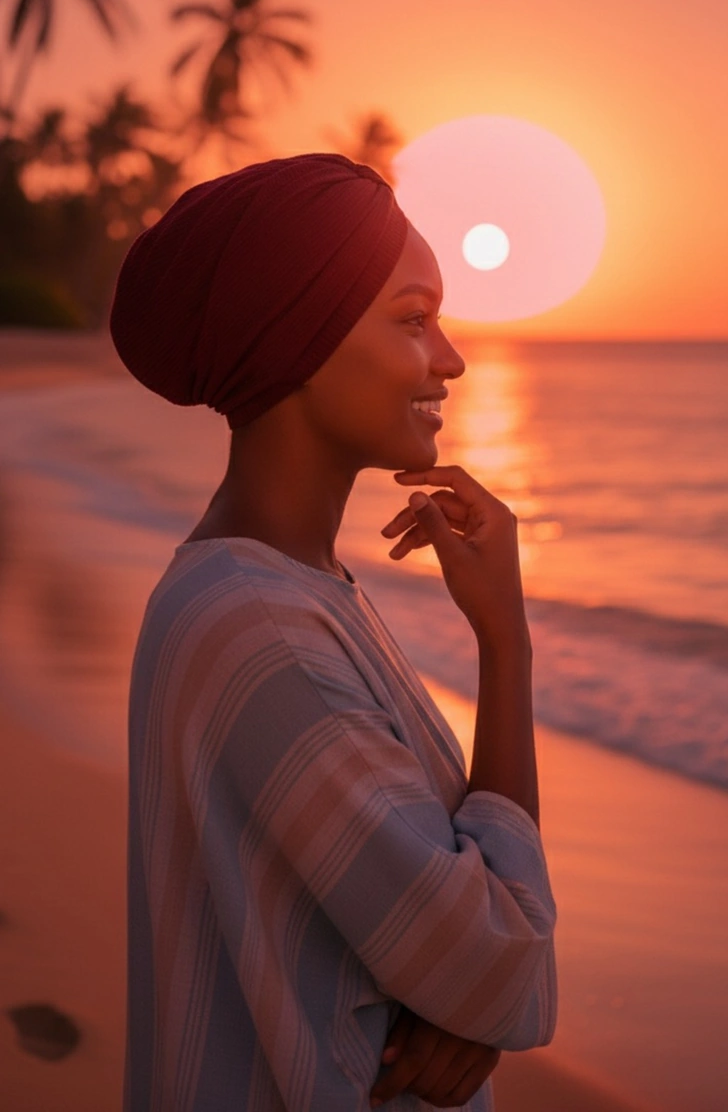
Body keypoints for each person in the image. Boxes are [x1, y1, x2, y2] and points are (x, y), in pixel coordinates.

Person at [110, 154, 557, 1111]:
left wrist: (464, 998)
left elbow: (466, 968)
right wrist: (506, 644)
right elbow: (499, 961)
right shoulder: (259, 626)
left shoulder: (290, 590)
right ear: (298, 343)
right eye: (412, 318)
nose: (451, 357)